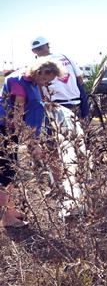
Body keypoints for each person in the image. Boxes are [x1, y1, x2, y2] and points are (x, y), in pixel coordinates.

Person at [0, 59, 65, 227]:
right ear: (37, 73)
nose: (47, 83)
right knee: (5, 172)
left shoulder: (33, 81)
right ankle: (7, 217)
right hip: (4, 132)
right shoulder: (20, 84)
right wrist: (31, 144)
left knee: (10, 172)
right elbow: (17, 117)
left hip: (10, 132)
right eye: (45, 80)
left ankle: (11, 210)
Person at [30, 37, 89, 119]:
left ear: (33, 51)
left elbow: (39, 88)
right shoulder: (65, 57)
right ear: (47, 45)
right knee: (77, 130)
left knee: (56, 131)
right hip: (75, 103)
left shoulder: (36, 65)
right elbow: (80, 79)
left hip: (54, 106)